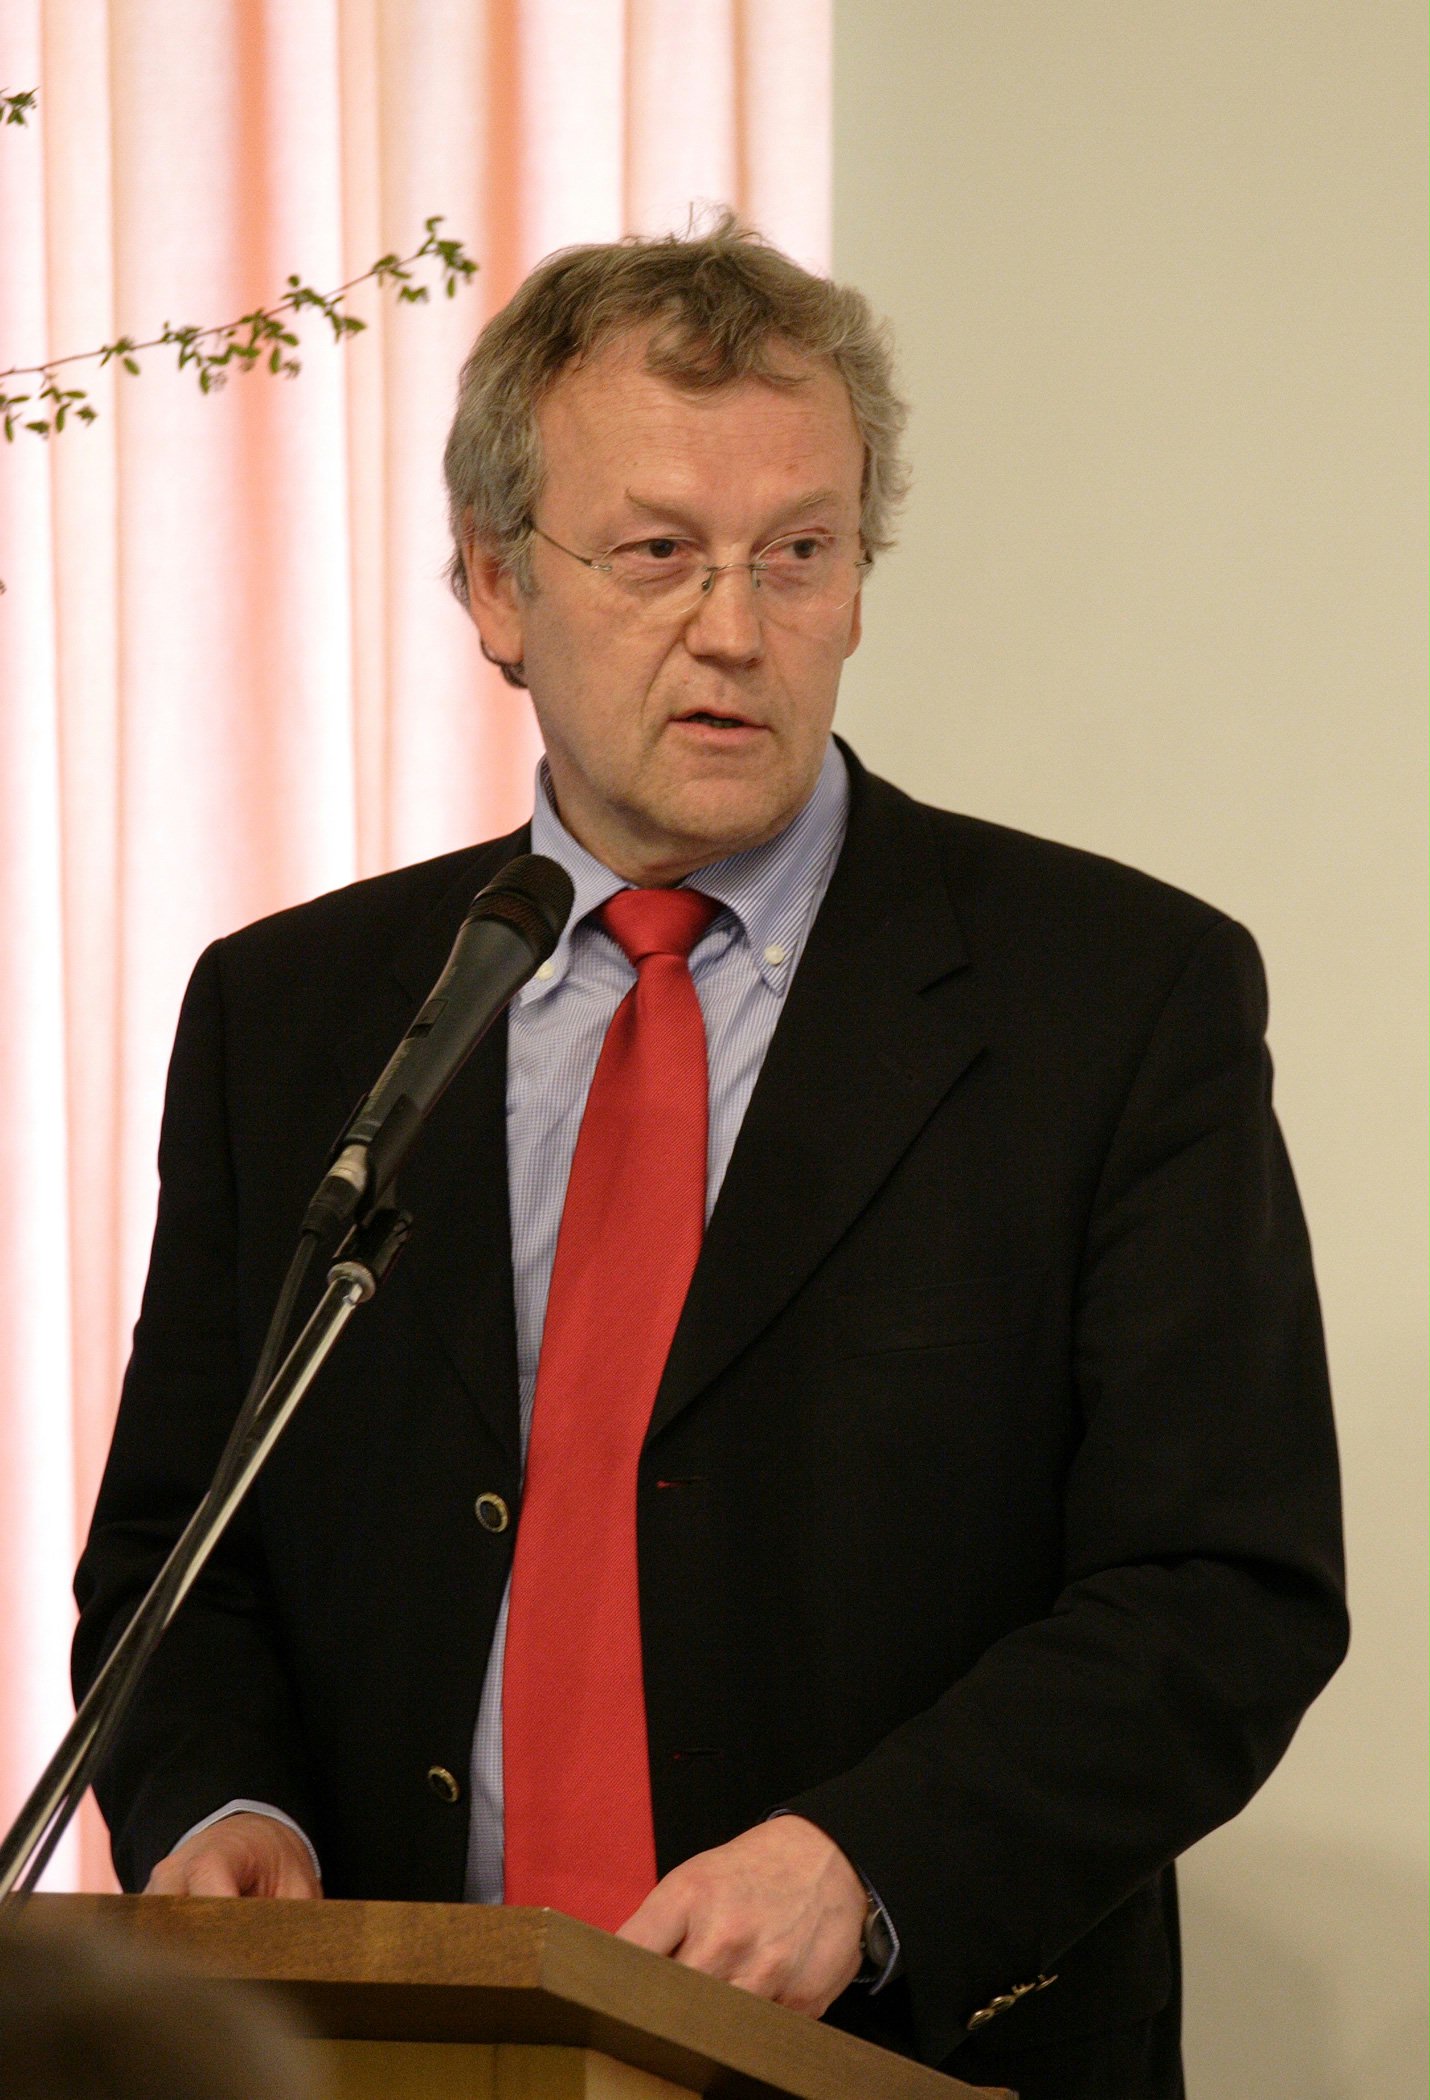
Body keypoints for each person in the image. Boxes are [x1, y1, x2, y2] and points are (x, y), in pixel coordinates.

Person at [73, 217, 1347, 2100]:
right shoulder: (298, 1012)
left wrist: (866, 1864)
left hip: (898, 2051)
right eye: (658, 553)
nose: (736, 628)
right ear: (497, 584)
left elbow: (1220, 1589)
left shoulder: (1113, 998)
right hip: (400, 2046)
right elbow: (179, 1552)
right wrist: (222, 1804)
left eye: (798, 553)